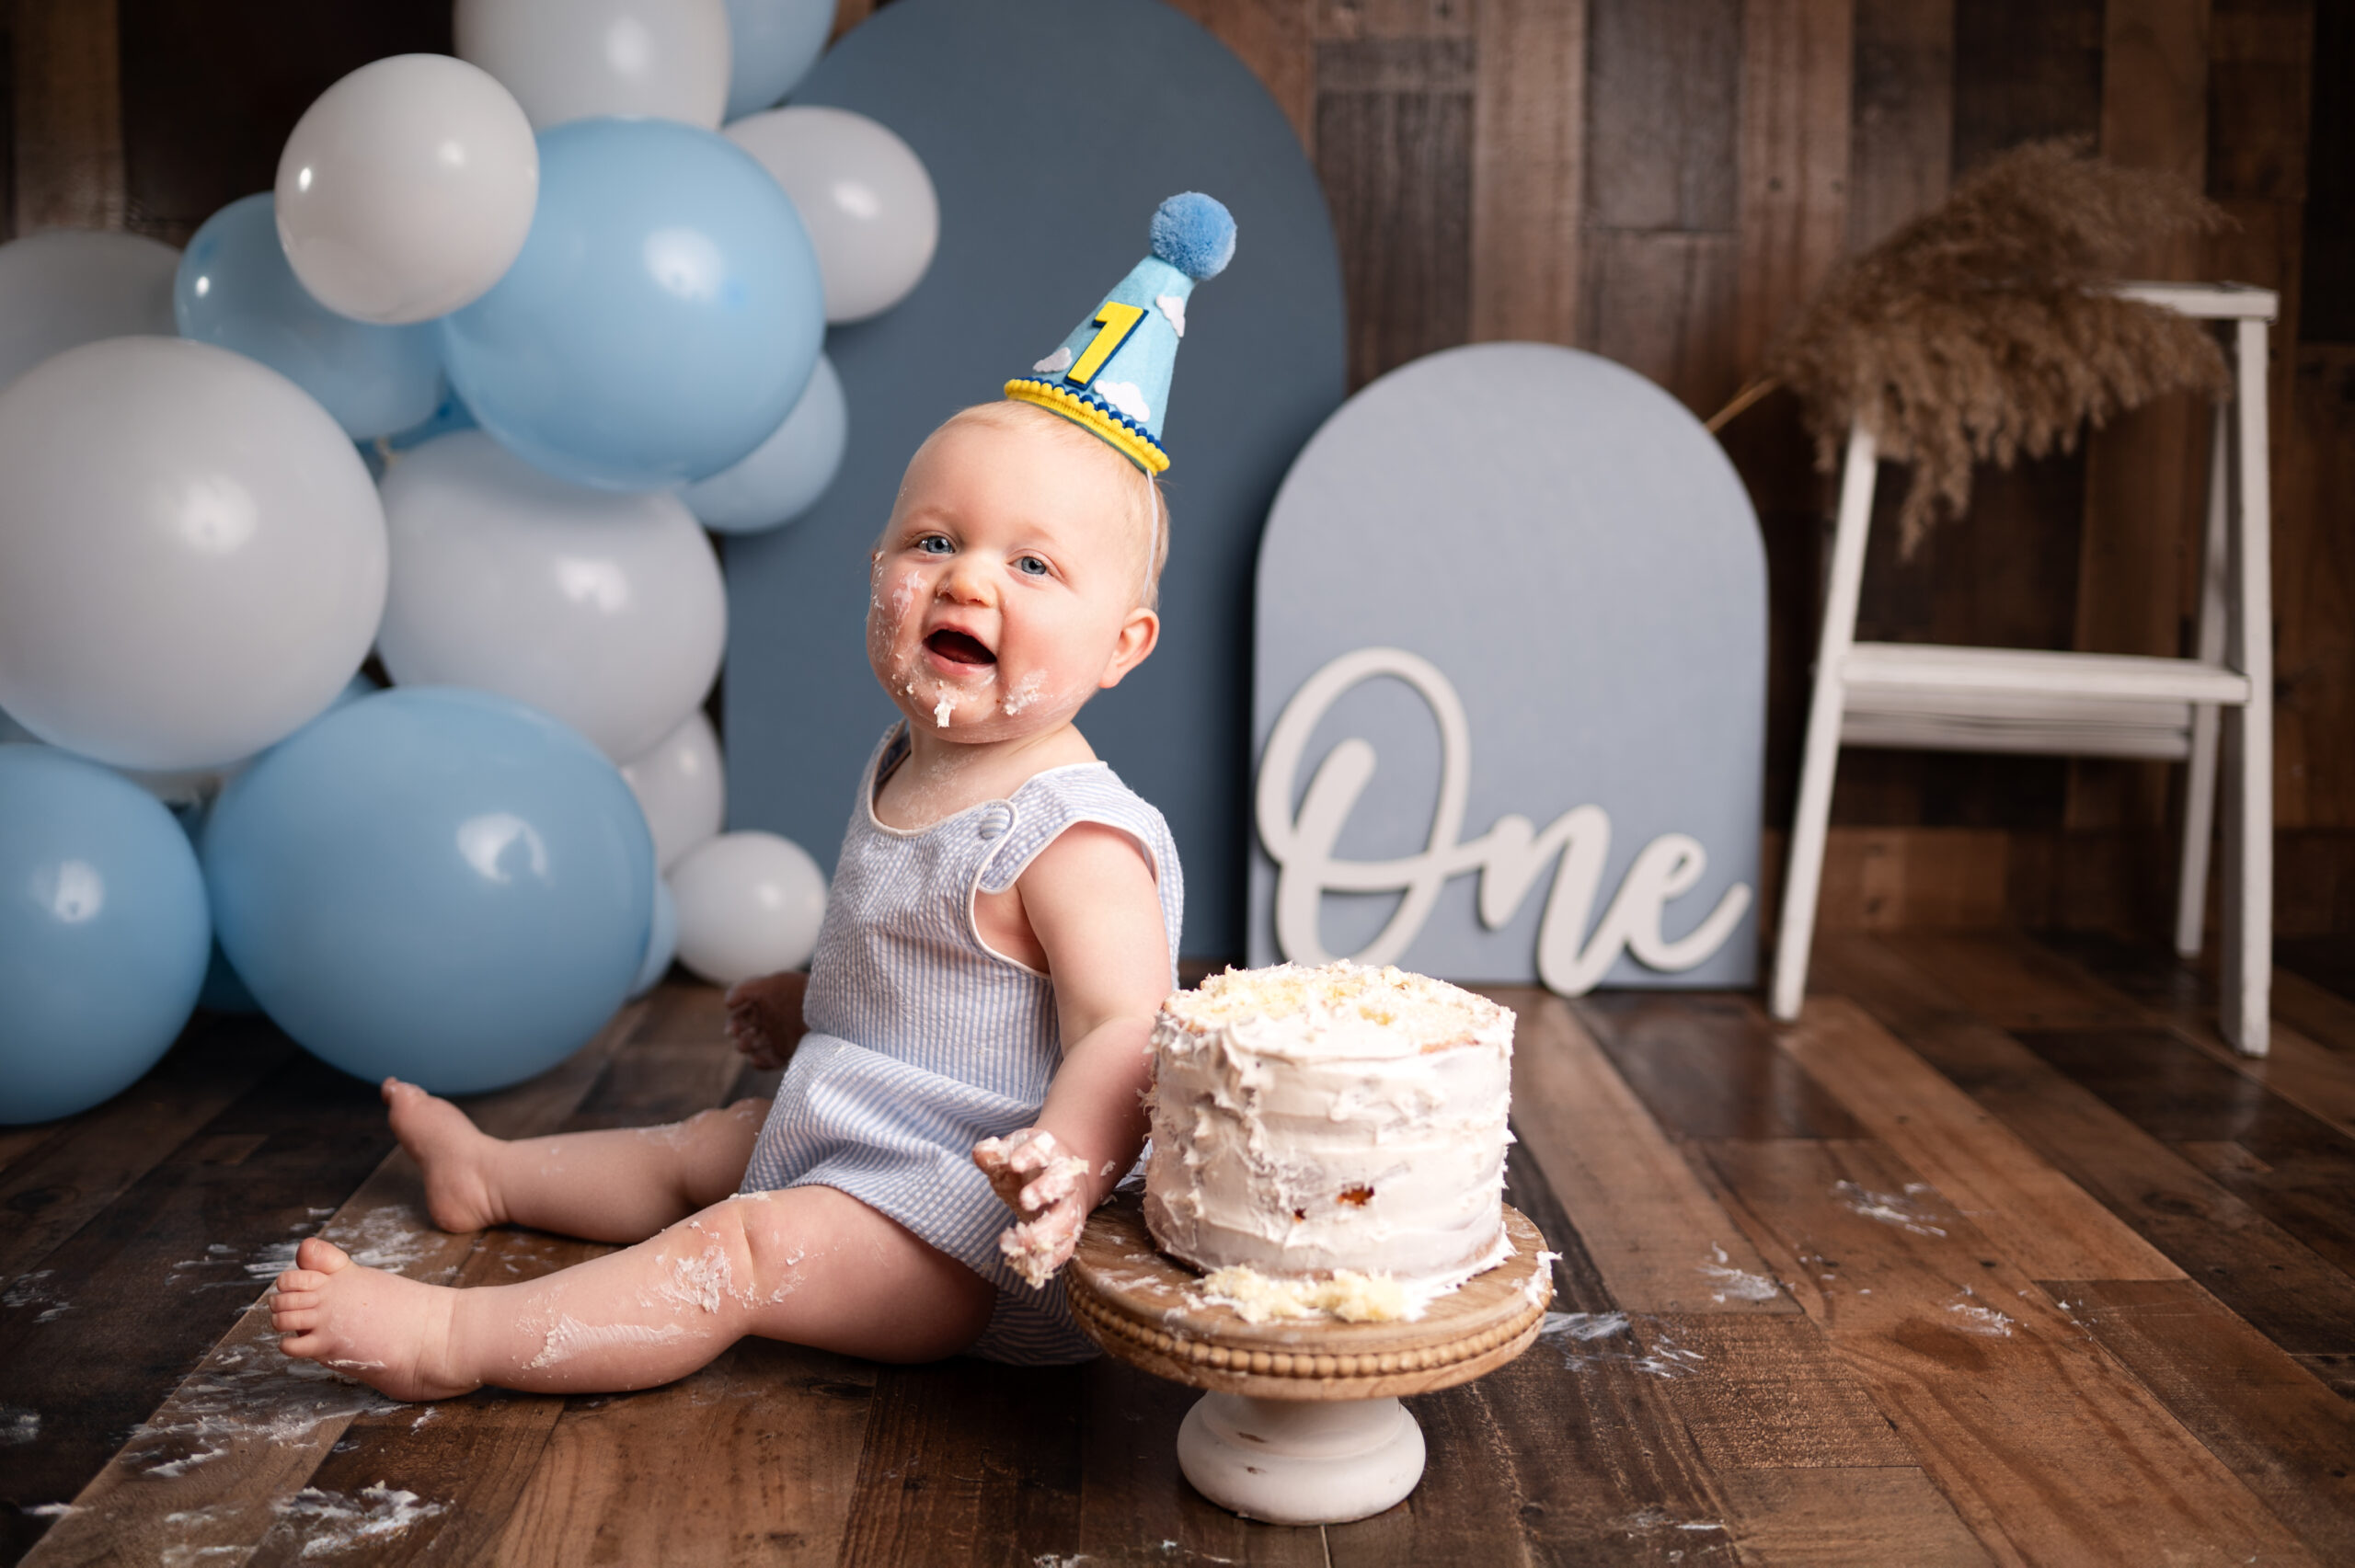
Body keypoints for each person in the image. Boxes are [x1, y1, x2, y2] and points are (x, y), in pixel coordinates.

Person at [266, 194, 1235, 1398]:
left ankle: (457, 1344)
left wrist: (1071, 1159)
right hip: (866, 1132)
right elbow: (930, 974)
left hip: (976, 1226)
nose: (968, 579)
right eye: (935, 540)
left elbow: (1122, 1028)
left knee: (740, 1244)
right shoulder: (910, 756)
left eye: (1033, 564)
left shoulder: (1075, 835)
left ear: (1122, 644)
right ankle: (494, 1172)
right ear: (876, 568)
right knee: (707, 1150)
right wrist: (817, 1002)